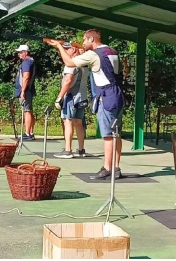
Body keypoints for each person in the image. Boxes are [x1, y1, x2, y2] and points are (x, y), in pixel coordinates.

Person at [47, 31, 124, 180]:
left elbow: (69, 63)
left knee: (108, 135)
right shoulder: (112, 51)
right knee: (116, 133)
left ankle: (107, 168)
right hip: (117, 95)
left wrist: (59, 47)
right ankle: (116, 167)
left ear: (91, 39)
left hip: (106, 97)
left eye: (84, 40)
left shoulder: (93, 54)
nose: (82, 43)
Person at [51, 40, 88, 159]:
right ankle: (81, 150)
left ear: (74, 50)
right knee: (79, 123)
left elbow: (68, 81)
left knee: (68, 121)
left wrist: (59, 97)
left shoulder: (70, 64)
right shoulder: (83, 64)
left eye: (67, 49)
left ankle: (68, 150)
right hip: (82, 97)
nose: (65, 51)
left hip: (71, 96)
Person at [14, 43, 36, 140]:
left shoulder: (26, 62)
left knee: (26, 111)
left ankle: (27, 134)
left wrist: (22, 91)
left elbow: (26, 77)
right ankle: (30, 132)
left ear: (25, 53)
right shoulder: (30, 61)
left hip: (25, 90)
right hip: (28, 89)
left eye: (20, 52)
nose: (18, 54)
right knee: (29, 111)